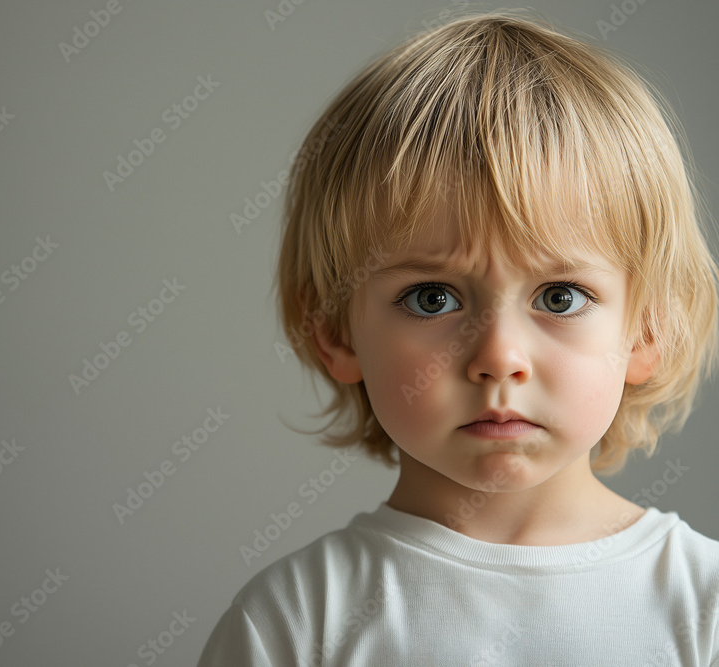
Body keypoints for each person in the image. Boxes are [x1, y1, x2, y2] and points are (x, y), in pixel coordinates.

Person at [198, 10, 719, 665]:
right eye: (432, 298)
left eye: (560, 297)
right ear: (334, 329)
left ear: (649, 327)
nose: (499, 357)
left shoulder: (703, 605)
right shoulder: (294, 620)